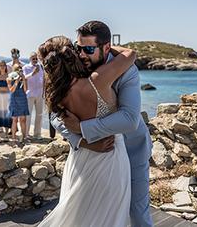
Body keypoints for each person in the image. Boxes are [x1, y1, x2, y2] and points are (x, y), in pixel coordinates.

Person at [50, 21, 153, 227]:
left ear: (106, 47)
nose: (82, 54)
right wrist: (80, 141)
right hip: (91, 155)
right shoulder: (75, 67)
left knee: (137, 212)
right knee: (84, 211)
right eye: (79, 48)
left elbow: (130, 119)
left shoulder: (127, 71)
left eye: (88, 49)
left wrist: (82, 129)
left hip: (132, 149)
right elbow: (56, 113)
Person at [37, 35, 136, 227]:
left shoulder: (56, 95)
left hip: (81, 157)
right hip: (110, 157)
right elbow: (130, 55)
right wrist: (101, 47)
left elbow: (57, 121)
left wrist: (82, 140)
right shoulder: (98, 80)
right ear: (72, 54)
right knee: (110, 216)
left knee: (78, 215)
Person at [22, 52, 44, 140]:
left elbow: (43, 78)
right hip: (30, 94)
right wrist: (33, 73)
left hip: (40, 93)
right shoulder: (26, 67)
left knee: (39, 115)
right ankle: (26, 134)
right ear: (30, 59)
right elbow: (24, 78)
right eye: (33, 58)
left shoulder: (41, 67)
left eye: (36, 58)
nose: (35, 60)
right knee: (28, 115)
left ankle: (37, 134)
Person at [7, 64, 29, 146]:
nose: (19, 71)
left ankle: (24, 137)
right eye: (17, 69)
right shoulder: (9, 78)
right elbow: (11, 90)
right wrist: (16, 81)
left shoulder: (24, 78)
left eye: (20, 69)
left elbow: (26, 89)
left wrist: (23, 79)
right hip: (14, 99)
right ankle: (13, 138)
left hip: (22, 98)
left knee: (23, 120)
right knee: (15, 120)